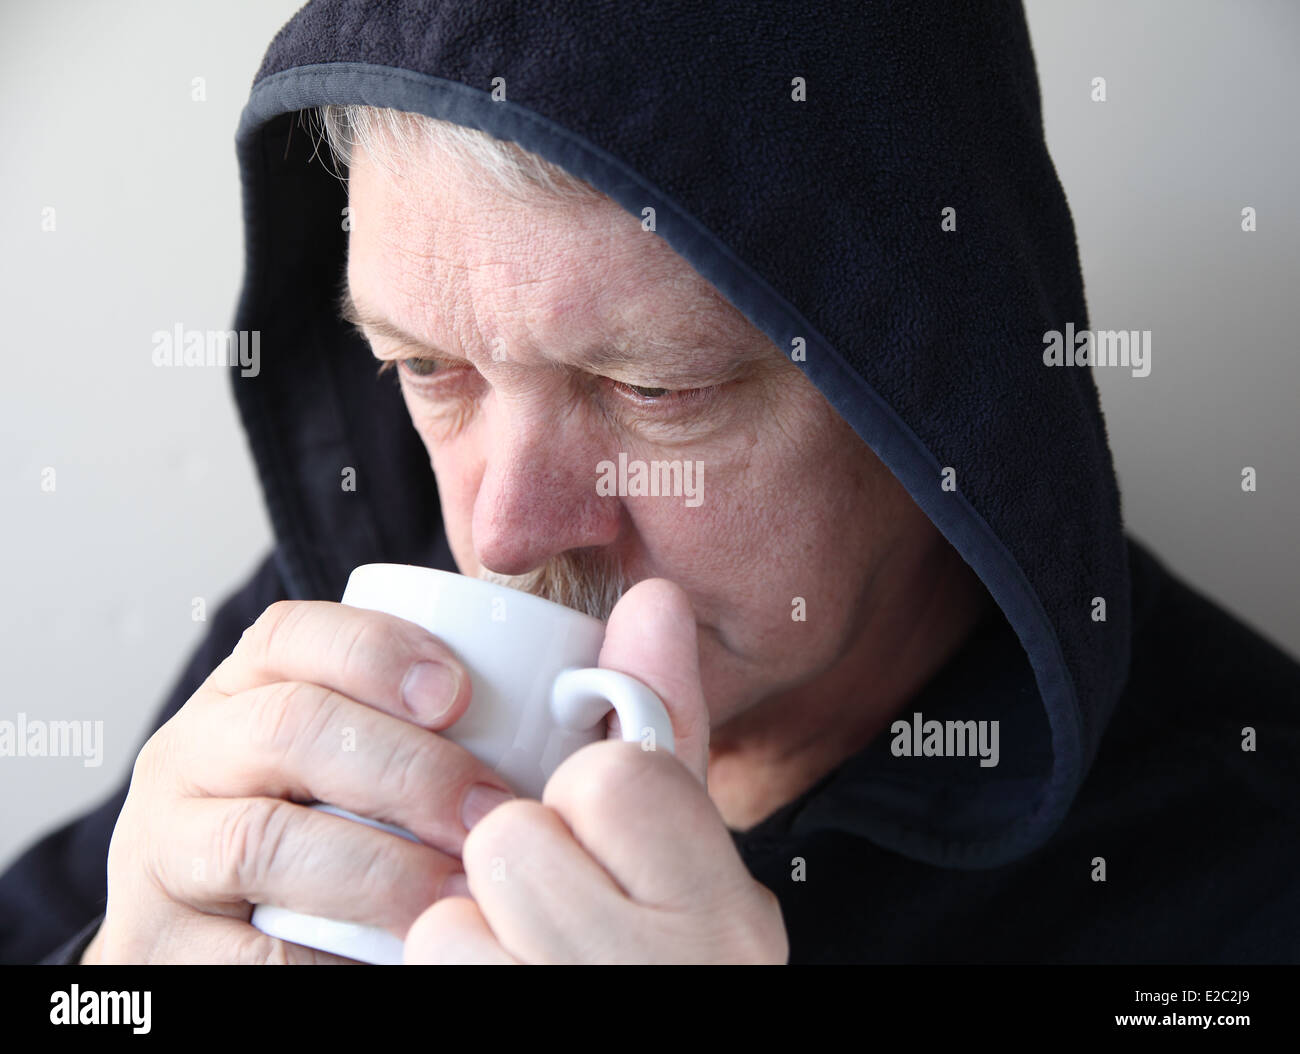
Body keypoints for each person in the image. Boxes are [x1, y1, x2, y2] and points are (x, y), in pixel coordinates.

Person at [5, 0, 1298, 965]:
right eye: (427, 366)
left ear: (930, 399)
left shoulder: (1242, 861)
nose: (498, 534)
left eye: (656, 391)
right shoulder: (339, 639)